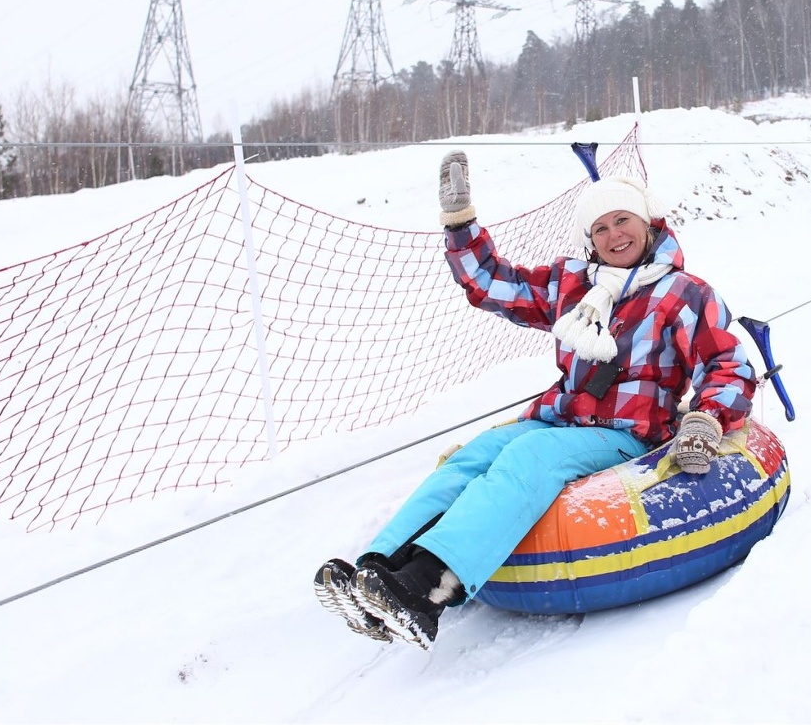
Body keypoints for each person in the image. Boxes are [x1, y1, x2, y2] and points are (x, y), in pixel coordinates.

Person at [313, 155, 757, 650]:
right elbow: (492, 284)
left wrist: (707, 421)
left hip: (625, 434)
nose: (614, 236)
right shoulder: (574, 285)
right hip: (560, 420)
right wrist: (460, 224)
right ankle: (380, 570)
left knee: (529, 458)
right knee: (475, 456)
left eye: (622, 221)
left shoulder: (684, 293)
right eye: (601, 228)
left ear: (647, 223)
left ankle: (427, 588)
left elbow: (728, 365)